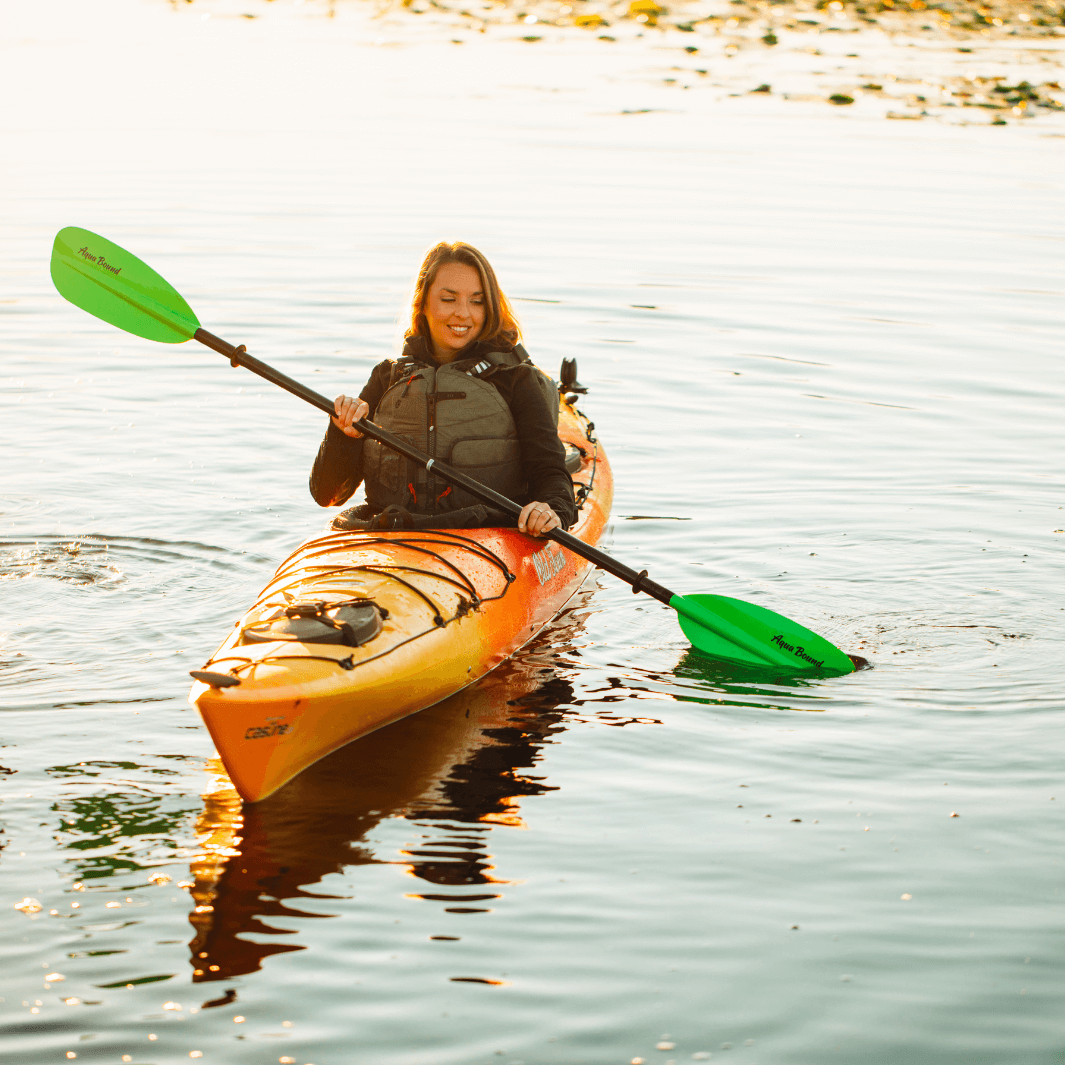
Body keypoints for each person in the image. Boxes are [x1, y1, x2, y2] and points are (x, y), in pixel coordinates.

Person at [310, 242, 575, 538]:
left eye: (477, 302)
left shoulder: (516, 379)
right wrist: (343, 434)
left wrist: (550, 510)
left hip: (489, 540)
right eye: (449, 299)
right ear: (422, 303)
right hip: (394, 536)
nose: (463, 313)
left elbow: (552, 477)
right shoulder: (387, 377)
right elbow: (327, 495)